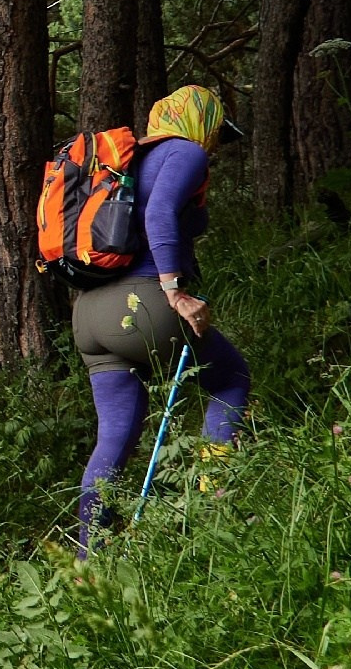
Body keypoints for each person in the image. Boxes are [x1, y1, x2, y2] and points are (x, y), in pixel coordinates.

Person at [68, 85, 254, 541]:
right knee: (230, 379)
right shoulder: (185, 153)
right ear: (199, 120)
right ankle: (215, 503)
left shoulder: (130, 162)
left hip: (89, 316)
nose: (214, 145)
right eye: (214, 131)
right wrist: (174, 290)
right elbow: (160, 211)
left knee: (114, 437)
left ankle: (89, 558)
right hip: (144, 300)